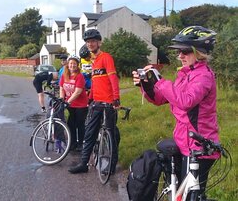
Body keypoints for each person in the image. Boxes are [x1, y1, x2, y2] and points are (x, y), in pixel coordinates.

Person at [132, 26, 220, 197]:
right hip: (183, 141)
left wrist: (160, 81)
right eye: (179, 51)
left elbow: (186, 100)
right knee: (179, 193)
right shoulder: (185, 74)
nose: (180, 56)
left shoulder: (203, 76)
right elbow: (162, 99)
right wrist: (147, 85)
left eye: (185, 51)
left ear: (199, 52)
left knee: (189, 195)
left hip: (198, 146)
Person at [68, 29, 120, 174]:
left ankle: (111, 166)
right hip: (96, 102)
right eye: (88, 42)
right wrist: (90, 97)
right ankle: (83, 164)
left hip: (109, 103)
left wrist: (116, 98)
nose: (90, 44)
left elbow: (113, 78)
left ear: (99, 42)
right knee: (89, 133)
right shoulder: (94, 61)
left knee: (110, 134)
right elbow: (96, 82)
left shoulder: (106, 57)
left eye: (92, 41)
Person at [59, 55, 88, 152]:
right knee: (71, 124)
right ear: (68, 64)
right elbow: (62, 88)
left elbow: (78, 91)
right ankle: (73, 143)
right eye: (71, 63)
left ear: (77, 65)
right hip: (70, 105)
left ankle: (81, 144)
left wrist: (68, 102)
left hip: (81, 105)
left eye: (74, 63)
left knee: (80, 124)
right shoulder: (64, 75)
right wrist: (61, 99)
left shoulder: (80, 76)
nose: (72, 65)